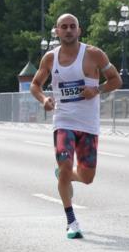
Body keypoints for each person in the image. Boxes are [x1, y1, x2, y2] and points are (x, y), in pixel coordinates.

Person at [30, 13, 122, 239]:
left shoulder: (93, 54)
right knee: (64, 167)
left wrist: (97, 90)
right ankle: (71, 220)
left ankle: (68, 175)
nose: (69, 30)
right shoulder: (50, 59)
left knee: (88, 177)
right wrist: (44, 100)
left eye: (73, 26)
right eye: (64, 27)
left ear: (79, 30)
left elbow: (116, 80)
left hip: (88, 125)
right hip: (63, 121)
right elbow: (35, 85)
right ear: (57, 31)